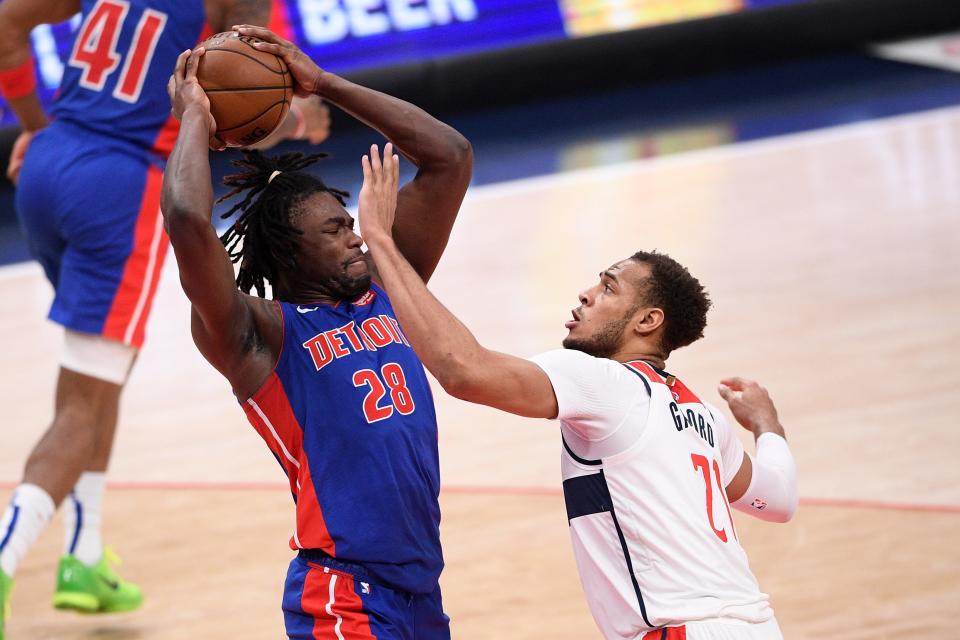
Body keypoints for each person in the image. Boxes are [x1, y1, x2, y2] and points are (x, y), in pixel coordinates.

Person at [356, 155, 800, 638]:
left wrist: (380, 239)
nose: (587, 293)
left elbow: (461, 370)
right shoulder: (705, 419)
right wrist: (766, 426)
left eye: (608, 287)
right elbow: (777, 500)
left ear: (647, 321)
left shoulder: (603, 382)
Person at [0, 2, 327, 635]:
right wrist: (291, 118)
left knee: (97, 375)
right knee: (83, 404)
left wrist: (35, 128)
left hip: (48, 166)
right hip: (117, 185)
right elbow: (238, 100)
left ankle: (85, 554)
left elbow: (7, 23)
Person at [161, 24, 472, 638]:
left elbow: (449, 156)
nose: (356, 235)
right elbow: (189, 219)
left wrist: (324, 84)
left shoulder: (388, 288)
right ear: (288, 255)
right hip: (342, 595)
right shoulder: (259, 336)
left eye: (349, 222)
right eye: (332, 231)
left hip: (421, 592)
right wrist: (195, 116)